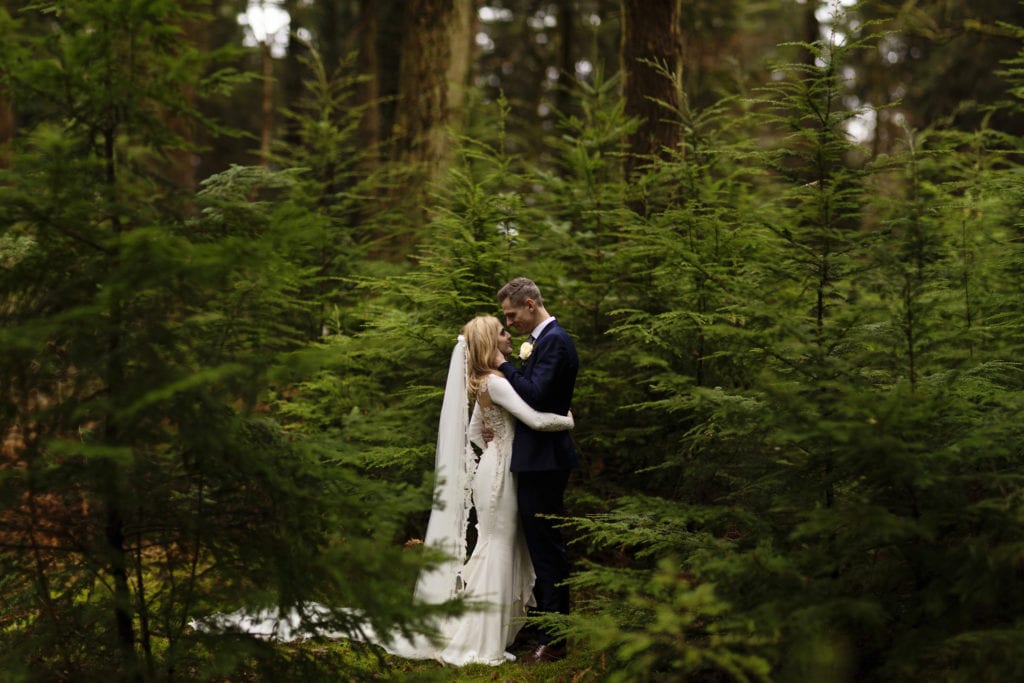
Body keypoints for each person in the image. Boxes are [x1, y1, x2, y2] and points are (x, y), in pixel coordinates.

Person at [191, 316, 574, 668]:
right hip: (499, 476)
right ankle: (483, 639)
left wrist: (492, 444)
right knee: (498, 546)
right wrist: (566, 419)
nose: (510, 335)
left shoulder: (481, 382)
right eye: (503, 331)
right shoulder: (497, 382)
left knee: (492, 544)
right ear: (491, 341)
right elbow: (535, 419)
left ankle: (491, 628)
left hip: (492, 467)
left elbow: (475, 433)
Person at [493, 277, 579, 664]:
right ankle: (545, 624)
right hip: (535, 458)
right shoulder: (544, 341)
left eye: (512, 315)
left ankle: (556, 638)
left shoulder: (555, 341)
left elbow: (538, 395)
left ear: (530, 304)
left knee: (547, 548)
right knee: (538, 546)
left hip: (546, 460)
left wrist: (503, 366)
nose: (509, 324)